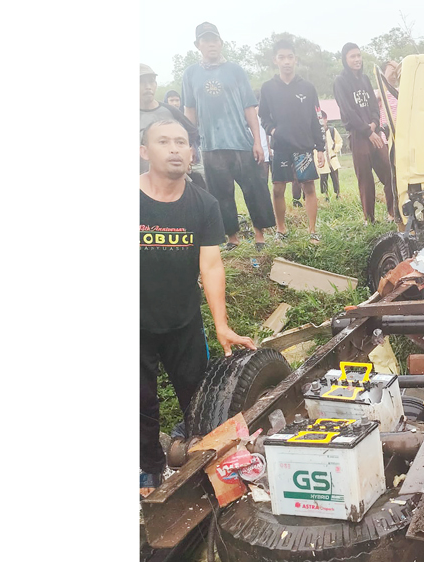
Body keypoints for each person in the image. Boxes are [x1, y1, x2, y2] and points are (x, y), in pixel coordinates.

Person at [139, 119, 257, 497]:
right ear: (144, 152)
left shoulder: (203, 204)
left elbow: (210, 265)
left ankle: (203, 467)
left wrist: (221, 325)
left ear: (192, 153)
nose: (174, 148)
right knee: (139, 401)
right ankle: (148, 471)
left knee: (201, 398)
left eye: (182, 142)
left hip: (183, 322)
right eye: (163, 141)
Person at [182, 22, 275, 251]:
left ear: (221, 43)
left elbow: (249, 108)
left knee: (254, 188)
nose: (211, 44)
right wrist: (190, 143)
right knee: (221, 194)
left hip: (241, 143)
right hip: (211, 146)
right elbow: (189, 112)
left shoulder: (235, 70)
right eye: (205, 40)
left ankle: (259, 236)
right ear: (198, 45)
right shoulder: (190, 74)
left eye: (214, 39)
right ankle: (232, 238)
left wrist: (257, 141)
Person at [258, 39, 326, 244]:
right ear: (275, 60)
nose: (286, 61)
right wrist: (273, 130)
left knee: (309, 187)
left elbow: (315, 118)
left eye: (290, 57)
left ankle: (312, 231)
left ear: (295, 59)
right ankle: (281, 229)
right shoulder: (268, 88)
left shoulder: (307, 87)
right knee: (278, 189)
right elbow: (264, 117)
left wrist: (321, 147)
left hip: (303, 146)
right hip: (280, 147)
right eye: (281, 57)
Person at [333, 42, 396, 224]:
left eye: (359, 55)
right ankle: (369, 219)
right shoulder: (341, 81)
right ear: (345, 59)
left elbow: (375, 106)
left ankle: (392, 213)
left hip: (374, 133)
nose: (357, 59)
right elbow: (348, 112)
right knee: (365, 179)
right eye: (353, 56)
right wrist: (367, 131)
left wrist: (375, 124)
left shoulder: (365, 79)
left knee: (390, 171)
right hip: (359, 136)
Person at [140, 64, 207, 191]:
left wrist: (188, 155)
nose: (147, 87)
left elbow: (192, 134)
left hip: (174, 183)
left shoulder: (170, 111)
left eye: (151, 82)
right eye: (142, 82)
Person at [315, 110, 342, 200]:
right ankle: (326, 195)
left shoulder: (332, 130)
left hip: (332, 159)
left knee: (335, 178)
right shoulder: (316, 133)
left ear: (326, 119)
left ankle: (338, 193)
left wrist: (335, 148)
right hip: (323, 161)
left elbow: (339, 141)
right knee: (323, 179)